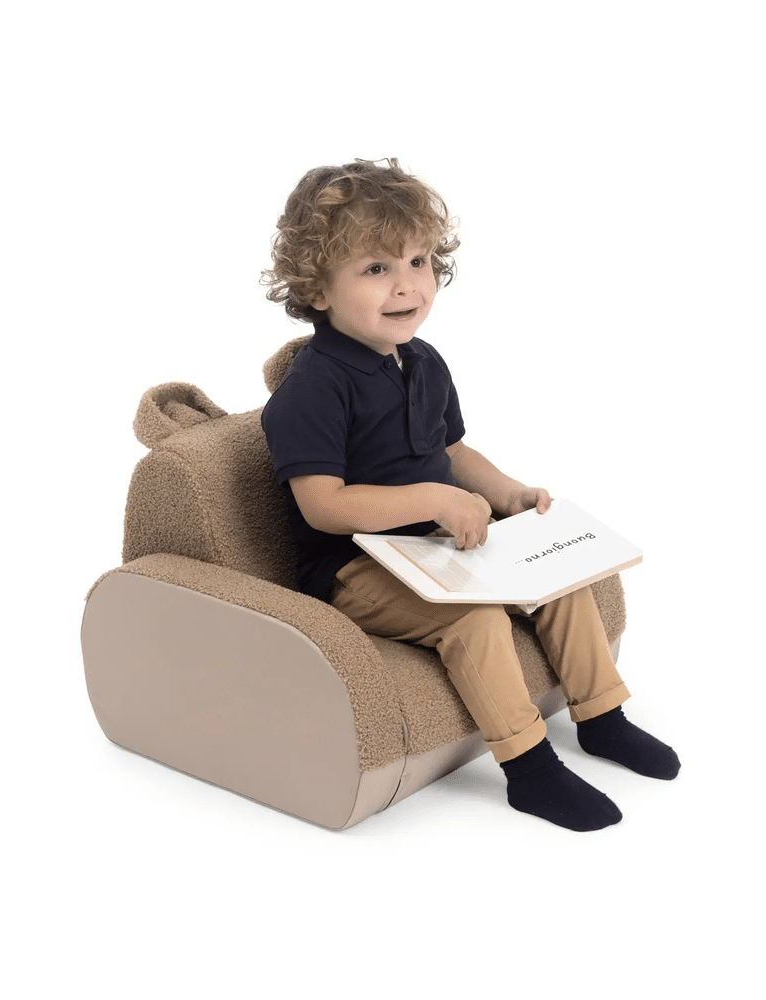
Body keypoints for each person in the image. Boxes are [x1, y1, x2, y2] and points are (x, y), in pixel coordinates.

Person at [260, 158, 679, 831]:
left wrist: (508, 494)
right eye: (377, 268)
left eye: (419, 261)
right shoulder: (313, 388)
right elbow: (324, 505)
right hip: (356, 568)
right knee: (476, 620)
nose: (407, 284)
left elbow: (453, 451)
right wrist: (434, 501)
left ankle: (602, 717)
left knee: (559, 578)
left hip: (436, 545)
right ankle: (529, 769)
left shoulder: (424, 361)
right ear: (317, 289)